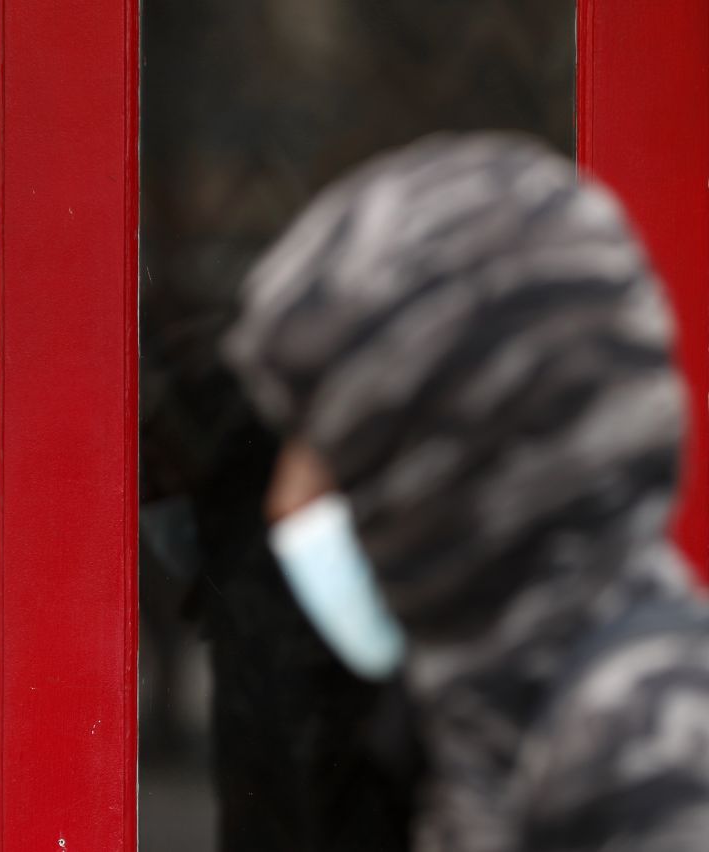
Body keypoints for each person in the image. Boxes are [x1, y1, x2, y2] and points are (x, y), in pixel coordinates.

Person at [224, 133, 709, 852]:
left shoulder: (649, 758)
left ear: (448, 469)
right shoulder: (490, 725)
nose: (285, 503)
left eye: (331, 451)